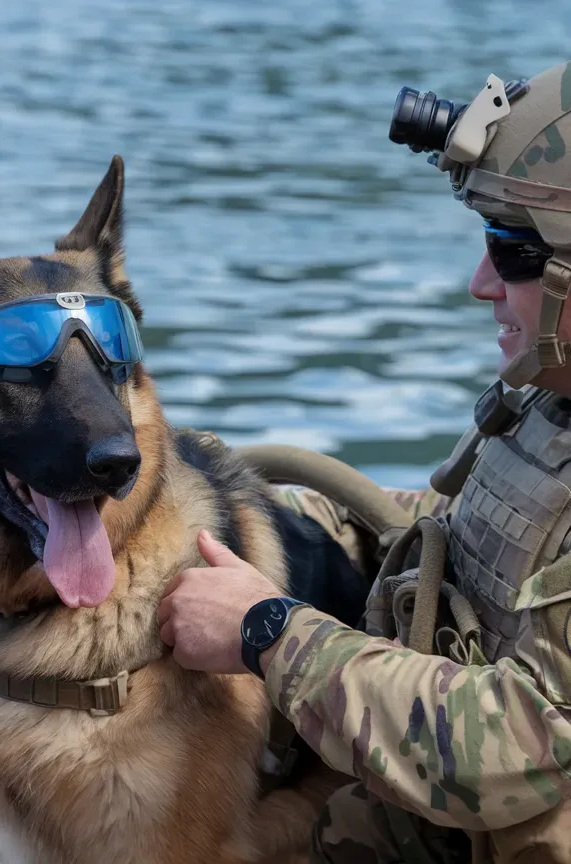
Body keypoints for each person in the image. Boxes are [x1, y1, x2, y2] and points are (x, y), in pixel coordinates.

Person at [158, 60, 571, 864]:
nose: (480, 284)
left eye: (511, 250)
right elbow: (460, 535)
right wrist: (266, 515)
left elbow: (524, 747)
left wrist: (267, 632)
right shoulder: (552, 403)